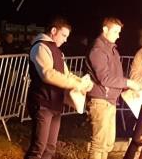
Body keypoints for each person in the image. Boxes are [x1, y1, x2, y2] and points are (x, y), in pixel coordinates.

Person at [25, 17, 93, 159]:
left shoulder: (57, 51)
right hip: (42, 101)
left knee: (50, 147)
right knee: (39, 147)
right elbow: (48, 74)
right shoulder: (40, 47)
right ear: (53, 31)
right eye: (63, 35)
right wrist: (76, 84)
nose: (65, 40)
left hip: (55, 103)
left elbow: (66, 74)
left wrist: (81, 82)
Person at [87, 17, 142, 159]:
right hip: (100, 101)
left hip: (109, 101)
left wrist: (126, 88)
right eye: (115, 31)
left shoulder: (112, 50)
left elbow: (115, 76)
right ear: (105, 29)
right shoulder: (98, 50)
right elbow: (104, 78)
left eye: (119, 32)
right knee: (98, 144)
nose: (118, 36)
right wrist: (128, 83)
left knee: (107, 143)